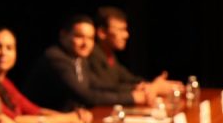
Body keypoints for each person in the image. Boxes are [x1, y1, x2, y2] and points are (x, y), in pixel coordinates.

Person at [0, 26, 91, 123]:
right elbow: (15, 121)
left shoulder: (4, 82)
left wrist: (75, 117)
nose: (4, 53)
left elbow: (35, 111)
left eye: (9, 48)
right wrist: (68, 119)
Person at [25, 14, 153, 111]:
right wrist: (133, 97)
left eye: (90, 38)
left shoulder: (79, 58)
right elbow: (87, 96)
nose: (86, 44)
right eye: (79, 36)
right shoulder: (56, 58)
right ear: (63, 35)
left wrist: (135, 88)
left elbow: (97, 85)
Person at [88, 6, 182, 101]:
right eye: (121, 30)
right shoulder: (92, 56)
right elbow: (107, 88)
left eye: (125, 29)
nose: (126, 35)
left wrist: (153, 85)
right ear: (102, 32)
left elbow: (129, 79)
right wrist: (152, 87)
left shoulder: (110, 56)